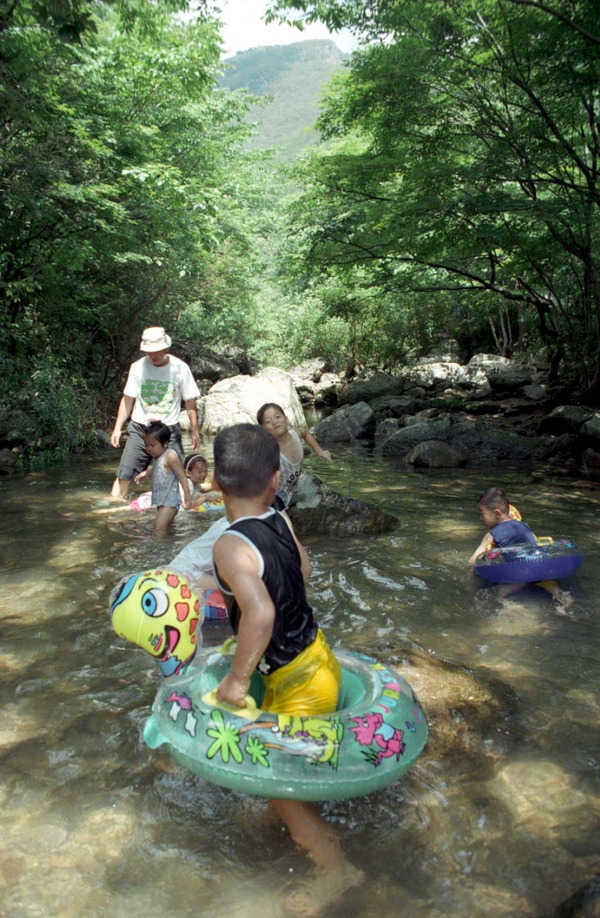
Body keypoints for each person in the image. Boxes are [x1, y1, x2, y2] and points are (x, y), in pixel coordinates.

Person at [211, 423, 363, 913]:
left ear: (213, 481)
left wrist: (236, 679)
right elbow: (304, 570)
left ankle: (336, 870)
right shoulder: (282, 519)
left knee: (279, 790)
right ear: (276, 481)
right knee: (287, 762)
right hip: (318, 659)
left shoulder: (230, 546)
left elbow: (260, 613)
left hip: (298, 683)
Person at [110, 327, 201, 500]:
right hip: (140, 428)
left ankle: (188, 506)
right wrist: (117, 428)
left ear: (166, 348)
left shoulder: (180, 368)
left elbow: (190, 402)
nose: (152, 356)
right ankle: (115, 510)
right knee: (125, 474)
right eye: (148, 352)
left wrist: (195, 431)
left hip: (168, 430)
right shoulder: (137, 367)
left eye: (156, 352)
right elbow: (127, 399)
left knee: (181, 474)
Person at [257, 402, 332, 511]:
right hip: (275, 496)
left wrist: (319, 451)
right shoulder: (269, 452)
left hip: (292, 489)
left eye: (277, 416)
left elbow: (305, 433)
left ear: (286, 419)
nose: (274, 422)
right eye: (268, 421)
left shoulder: (296, 434)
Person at [134, 422, 192, 533]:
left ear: (165, 444)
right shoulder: (157, 456)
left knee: (159, 528)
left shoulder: (170, 456)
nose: (149, 449)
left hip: (170, 502)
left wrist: (187, 495)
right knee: (167, 528)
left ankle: (160, 548)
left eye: (152, 445)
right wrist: (146, 473)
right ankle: (171, 545)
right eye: (146, 445)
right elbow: (160, 469)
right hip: (161, 501)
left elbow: (181, 475)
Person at [468, 487, 536, 565]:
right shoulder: (525, 526)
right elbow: (536, 544)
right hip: (534, 565)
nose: (481, 518)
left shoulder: (492, 535)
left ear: (497, 513)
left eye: (482, 514)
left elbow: (473, 561)